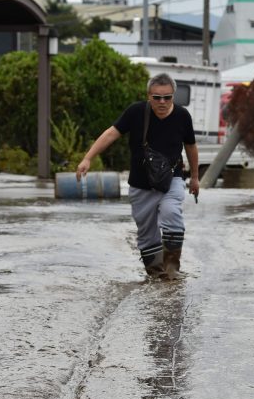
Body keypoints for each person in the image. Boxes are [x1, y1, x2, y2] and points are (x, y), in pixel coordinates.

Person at [77, 73, 199, 280]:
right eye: (157, 97)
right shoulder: (135, 112)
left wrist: (195, 177)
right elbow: (110, 134)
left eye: (167, 97)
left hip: (172, 179)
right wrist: (88, 158)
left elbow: (191, 147)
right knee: (146, 232)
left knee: (171, 213)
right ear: (148, 95)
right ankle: (155, 275)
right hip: (141, 184)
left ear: (173, 96)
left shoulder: (182, 116)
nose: (162, 102)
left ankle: (171, 270)